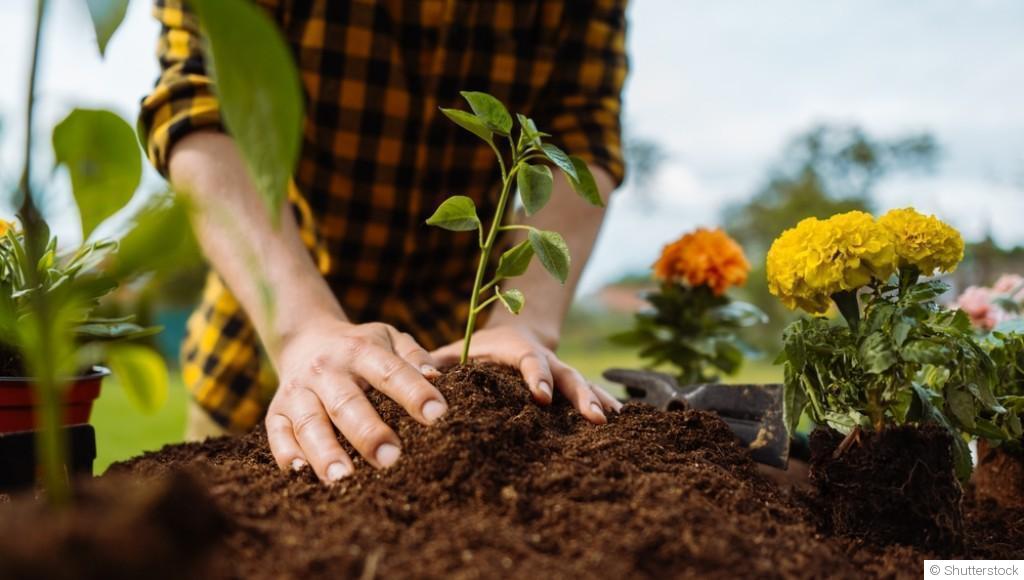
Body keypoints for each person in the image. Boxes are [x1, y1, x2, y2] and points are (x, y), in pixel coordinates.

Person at [139, 0, 628, 484]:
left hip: (452, 358)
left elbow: (582, 134)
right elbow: (201, 99)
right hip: (261, 348)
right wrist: (300, 331)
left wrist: (523, 323)